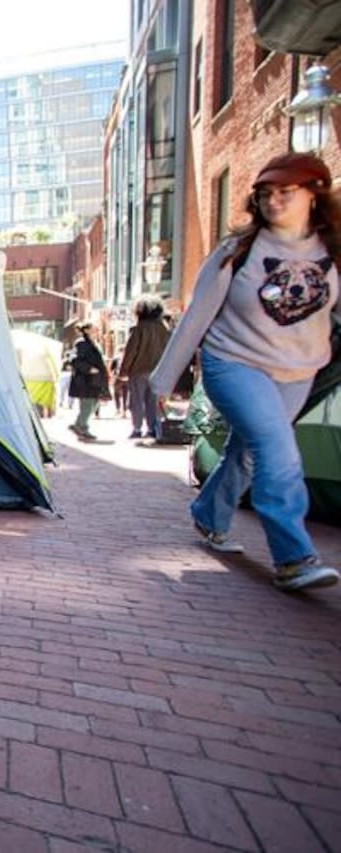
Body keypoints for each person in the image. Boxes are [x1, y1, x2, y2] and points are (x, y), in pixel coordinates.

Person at [150, 151, 341, 592]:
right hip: (233, 362)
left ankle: (208, 514)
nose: (273, 201)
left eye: (285, 192)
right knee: (279, 449)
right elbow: (197, 316)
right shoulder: (238, 251)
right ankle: (294, 557)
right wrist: (163, 382)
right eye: (266, 194)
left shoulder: (332, 252)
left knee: (251, 453)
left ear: (314, 194)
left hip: (298, 370)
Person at [119, 295, 170, 439]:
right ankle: (152, 428)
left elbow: (131, 351)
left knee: (136, 401)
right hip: (158, 371)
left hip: (138, 370)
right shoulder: (164, 329)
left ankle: (137, 428)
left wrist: (123, 371)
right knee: (152, 401)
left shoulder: (138, 329)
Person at [68, 321, 109, 441]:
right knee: (87, 404)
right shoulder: (81, 343)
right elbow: (75, 360)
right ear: (86, 330)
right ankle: (82, 427)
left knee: (94, 403)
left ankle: (79, 425)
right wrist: (89, 369)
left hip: (94, 380)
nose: (96, 330)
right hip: (85, 380)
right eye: (93, 328)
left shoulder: (93, 343)